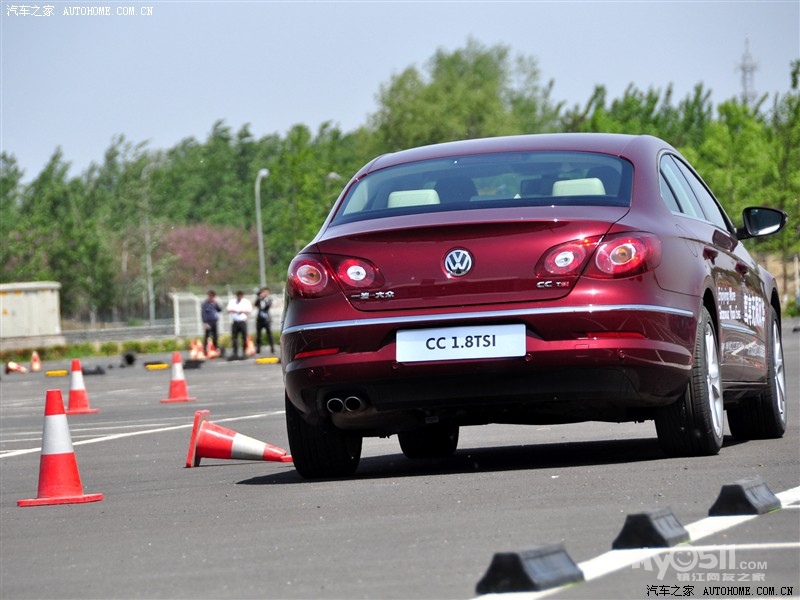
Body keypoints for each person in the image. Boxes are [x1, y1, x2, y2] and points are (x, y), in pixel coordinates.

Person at [226, 290, 253, 360]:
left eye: (240, 296)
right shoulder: (232, 302)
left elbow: (249, 310)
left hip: (242, 321)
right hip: (235, 321)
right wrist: (235, 311)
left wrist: (242, 311)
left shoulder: (246, 302)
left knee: (244, 337)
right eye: (238, 296)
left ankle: (244, 351)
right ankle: (235, 352)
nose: (239, 297)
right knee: (234, 338)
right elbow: (228, 310)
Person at [253, 287, 275, 354]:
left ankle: (272, 348)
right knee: (258, 335)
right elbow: (255, 304)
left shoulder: (269, 299)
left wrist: (264, 299)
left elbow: (267, 307)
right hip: (259, 319)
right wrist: (259, 298)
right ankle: (258, 349)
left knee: (269, 334)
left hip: (266, 319)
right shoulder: (259, 300)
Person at [201, 290, 222, 355]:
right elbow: (203, 313)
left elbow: (220, 310)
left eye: (212, 296)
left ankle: (215, 348)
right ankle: (205, 350)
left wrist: (216, 303)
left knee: (215, 336)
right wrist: (205, 322)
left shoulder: (215, 303)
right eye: (210, 296)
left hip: (214, 321)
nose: (211, 297)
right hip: (208, 322)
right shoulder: (205, 304)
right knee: (207, 336)